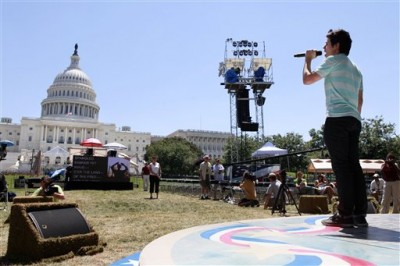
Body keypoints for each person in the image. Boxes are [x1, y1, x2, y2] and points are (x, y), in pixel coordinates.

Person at [302, 29, 367, 228]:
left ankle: (345, 214)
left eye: (327, 43)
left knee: (341, 167)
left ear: (336, 46)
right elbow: (360, 101)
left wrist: (307, 60)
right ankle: (359, 215)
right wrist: (353, 117)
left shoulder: (333, 61)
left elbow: (308, 79)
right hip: (353, 120)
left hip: (337, 120)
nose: (323, 47)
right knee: (354, 167)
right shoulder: (356, 69)